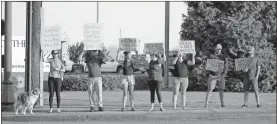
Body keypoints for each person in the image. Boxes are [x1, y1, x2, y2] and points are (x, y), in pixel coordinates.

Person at [204, 44, 228, 108]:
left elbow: (226, 66)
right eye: (218, 49)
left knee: (221, 89)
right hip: (212, 75)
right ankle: (206, 104)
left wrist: (224, 74)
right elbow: (207, 65)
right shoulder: (210, 56)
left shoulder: (223, 57)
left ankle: (222, 103)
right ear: (215, 49)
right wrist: (208, 70)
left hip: (221, 75)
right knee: (210, 89)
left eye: (220, 49)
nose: (219, 50)